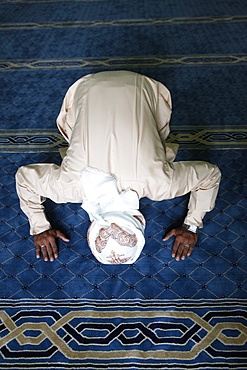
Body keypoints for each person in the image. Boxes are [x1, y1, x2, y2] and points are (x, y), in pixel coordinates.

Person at [15, 71, 221, 264]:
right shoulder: (70, 187)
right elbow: (24, 178)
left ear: (139, 222)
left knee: (156, 137)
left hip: (144, 86)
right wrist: (40, 227)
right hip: (85, 86)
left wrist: (191, 225)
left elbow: (210, 175)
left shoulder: (161, 185)